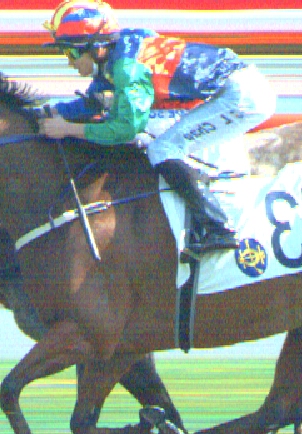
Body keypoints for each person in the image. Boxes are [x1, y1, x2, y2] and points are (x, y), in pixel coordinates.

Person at [34, 0, 276, 254]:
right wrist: (49, 112)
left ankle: (219, 227)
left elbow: (125, 128)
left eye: (70, 53)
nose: (70, 63)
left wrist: (67, 129)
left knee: (161, 148)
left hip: (240, 97)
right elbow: (92, 103)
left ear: (96, 47)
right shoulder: (120, 50)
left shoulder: (127, 68)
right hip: (228, 89)